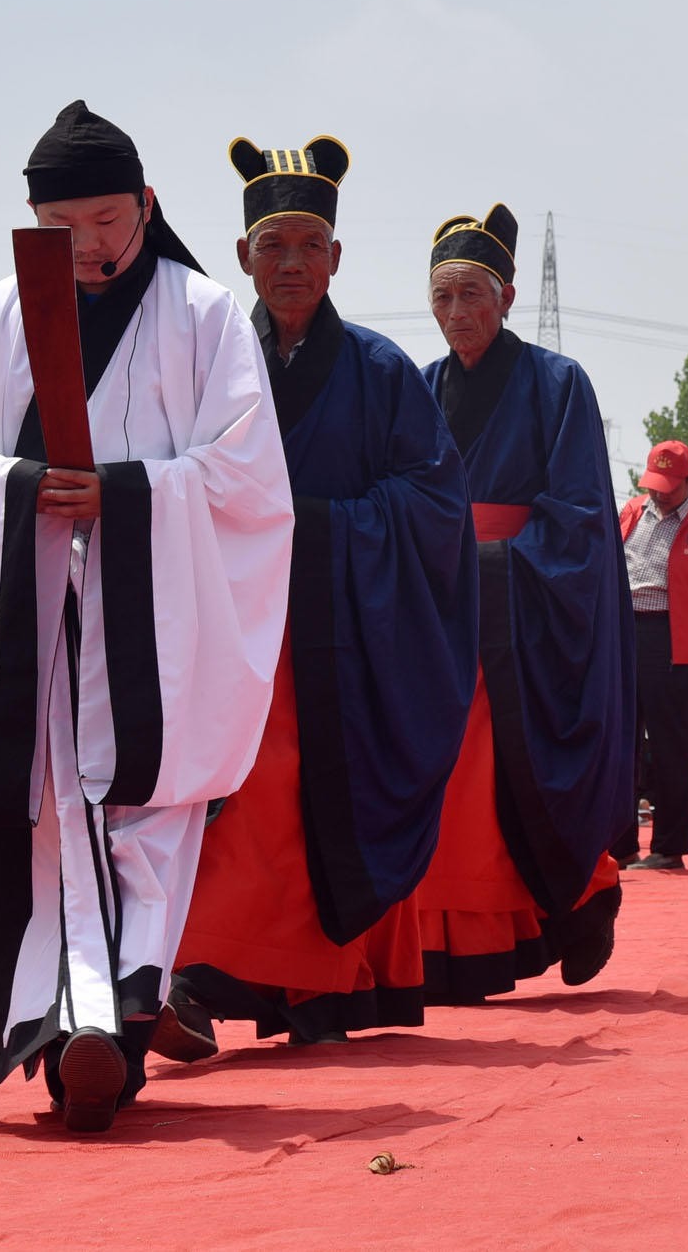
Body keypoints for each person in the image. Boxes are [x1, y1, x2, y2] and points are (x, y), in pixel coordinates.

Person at [0, 101, 294, 1130]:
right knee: (50, 821)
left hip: (151, 623)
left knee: (143, 810)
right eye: (63, 227)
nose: (92, 244)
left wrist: (129, 492)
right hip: (28, 626)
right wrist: (14, 487)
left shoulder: (201, 317)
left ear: (147, 206)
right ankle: (81, 1034)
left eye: (109, 218)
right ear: (30, 225)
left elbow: (247, 477)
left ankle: (96, 1030)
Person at [162, 138, 478, 1055]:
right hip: (236, 635)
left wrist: (312, 525)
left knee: (308, 803)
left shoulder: (381, 372)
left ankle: (310, 983)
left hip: (348, 639)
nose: (292, 262)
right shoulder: (213, 367)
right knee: (233, 805)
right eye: (273, 245)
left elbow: (433, 501)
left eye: (309, 244)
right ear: (242, 258)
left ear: (336, 257)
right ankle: (194, 978)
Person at [411, 204, 630, 998]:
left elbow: (579, 513)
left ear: (506, 294)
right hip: (437, 604)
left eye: (473, 293)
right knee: (439, 771)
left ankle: (578, 900)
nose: (459, 313)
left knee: (520, 765)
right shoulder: (418, 388)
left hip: (519, 600)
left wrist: (495, 563)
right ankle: (447, 939)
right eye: (443, 298)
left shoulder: (558, 384)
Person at [620, 439, 688, 871]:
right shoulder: (629, 514)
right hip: (625, 631)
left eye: (668, 485)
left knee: (669, 747)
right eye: (653, 483)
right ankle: (619, 843)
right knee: (621, 745)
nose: (659, 492)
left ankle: (668, 847)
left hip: (673, 641)